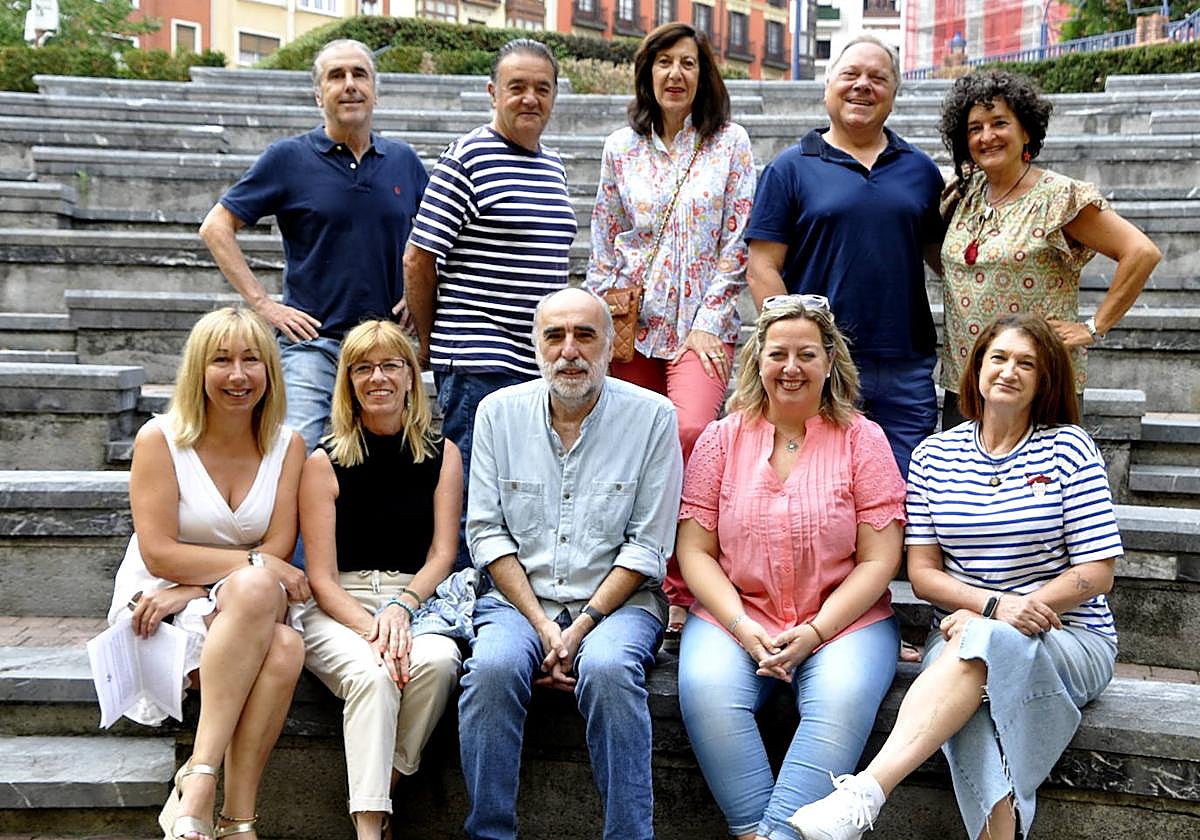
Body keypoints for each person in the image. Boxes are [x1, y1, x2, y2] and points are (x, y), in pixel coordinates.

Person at [787, 313, 1120, 840]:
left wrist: (998, 617)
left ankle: (867, 791)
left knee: (979, 653)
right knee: (973, 711)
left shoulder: (1069, 447)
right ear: (977, 368)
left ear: (1045, 379)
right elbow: (922, 574)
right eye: (999, 357)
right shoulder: (934, 455)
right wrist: (993, 609)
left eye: (1026, 363)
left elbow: (1097, 572)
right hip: (960, 636)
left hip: (1068, 638)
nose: (1009, 371)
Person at [675, 295, 906, 840]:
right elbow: (695, 551)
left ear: (830, 361)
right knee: (706, 690)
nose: (791, 367)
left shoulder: (863, 439)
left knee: (841, 699)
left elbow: (880, 559)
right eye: (778, 353)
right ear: (758, 359)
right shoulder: (721, 438)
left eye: (807, 354)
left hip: (844, 622)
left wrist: (816, 631)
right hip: (737, 613)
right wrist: (740, 625)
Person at [457, 287, 683, 840]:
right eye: (554, 336)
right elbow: (486, 532)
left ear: (610, 345)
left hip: (619, 605)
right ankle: (490, 834)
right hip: (519, 601)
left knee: (608, 670)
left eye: (585, 335)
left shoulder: (653, 417)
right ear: (536, 344)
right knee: (491, 670)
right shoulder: (497, 413)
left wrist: (578, 629)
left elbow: (648, 545)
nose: (569, 351)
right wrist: (542, 625)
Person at [107, 307, 309, 840]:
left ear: (270, 370)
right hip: (161, 598)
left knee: (266, 605)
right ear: (198, 369)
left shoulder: (288, 444)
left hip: (239, 599)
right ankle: (225, 806)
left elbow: (277, 546)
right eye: (221, 360)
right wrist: (210, 581)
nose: (237, 375)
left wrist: (206, 582)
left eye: (251, 360)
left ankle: (210, 791)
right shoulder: (160, 439)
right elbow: (158, 553)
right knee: (280, 638)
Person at [585, 21, 755, 636]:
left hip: (701, 327)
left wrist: (710, 322)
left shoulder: (729, 144)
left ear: (703, 74)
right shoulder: (620, 148)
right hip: (633, 326)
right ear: (647, 74)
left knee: (689, 431)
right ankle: (623, 578)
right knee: (626, 444)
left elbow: (737, 240)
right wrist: (606, 319)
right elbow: (605, 239)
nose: (675, 74)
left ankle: (684, 585)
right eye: (663, 62)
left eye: (687, 62)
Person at [200, 38, 428, 453]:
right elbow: (216, 227)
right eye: (336, 76)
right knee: (294, 454)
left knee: (393, 462)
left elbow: (440, 237)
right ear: (319, 94)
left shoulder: (403, 161)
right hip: (313, 345)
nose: (350, 85)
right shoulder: (288, 158)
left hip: (383, 348)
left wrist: (419, 295)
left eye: (359, 74)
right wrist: (263, 305)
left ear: (375, 91)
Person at [404, 38, 578, 569]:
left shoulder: (553, 165)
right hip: (478, 359)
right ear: (492, 92)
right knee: (472, 495)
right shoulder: (468, 158)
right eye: (516, 87)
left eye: (542, 88)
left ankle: (509, 598)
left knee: (522, 495)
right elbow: (418, 258)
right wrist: (433, 342)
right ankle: (460, 596)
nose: (530, 98)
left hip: (537, 362)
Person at [744, 34, 944, 477]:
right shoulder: (789, 168)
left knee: (903, 491)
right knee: (822, 487)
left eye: (878, 78)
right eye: (851, 74)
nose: (863, 85)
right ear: (828, 85)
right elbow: (762, 267)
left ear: (894, 92)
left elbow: (946, 260)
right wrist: (797, 347)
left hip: (905, 365)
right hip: (822, 365)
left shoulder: (921, 171)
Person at [298, 320, 463, 840]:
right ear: (348, 382)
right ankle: (370, 828)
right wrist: (372, 629)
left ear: (411, 376)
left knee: (439, 661)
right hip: (339, 605)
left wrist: (401, 607)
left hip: (415, 599)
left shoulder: (443, 454)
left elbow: (443, 553)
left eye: (390, 365)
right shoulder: (323, 461)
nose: (377, 378)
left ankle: (384, 783)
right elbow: (320, 578)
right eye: (363, 368)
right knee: (374, 675)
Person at [937, 69, 1161, 429]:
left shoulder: (1058, 197)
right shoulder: (962, 193)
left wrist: (1093, 327)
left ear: (1026, 130)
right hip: (967, 380)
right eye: (975, 128)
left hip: (1035, 383)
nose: (986, 136)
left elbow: (1141, 252)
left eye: (999, 123)